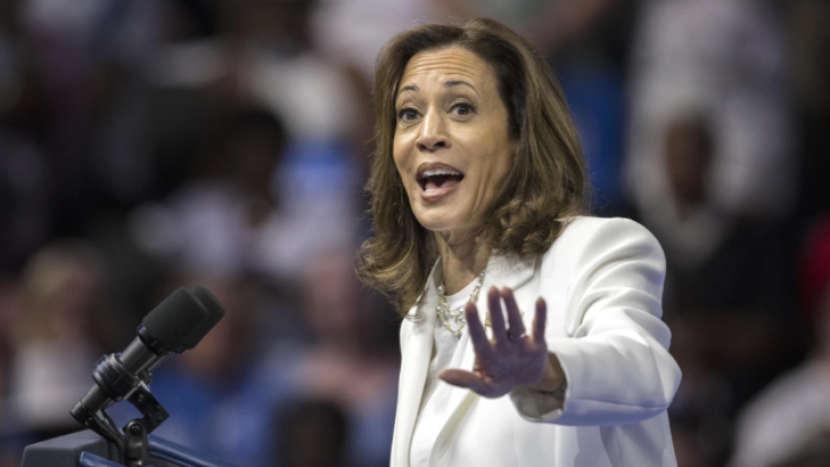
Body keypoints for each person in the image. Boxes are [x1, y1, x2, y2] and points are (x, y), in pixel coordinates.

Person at [356, 18, 681, 467]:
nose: (427, 134)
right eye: (409, 113)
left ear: (519, 138)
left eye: (461, 108)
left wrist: (544, 370)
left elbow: (646, 372)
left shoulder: (596, 248)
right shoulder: (419, 317)